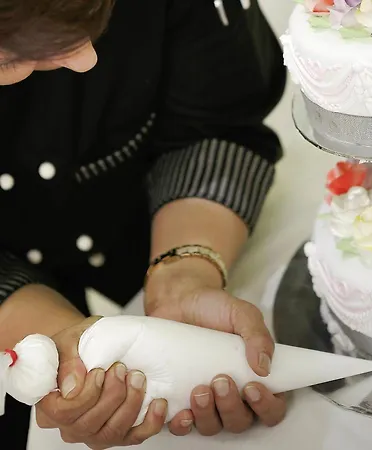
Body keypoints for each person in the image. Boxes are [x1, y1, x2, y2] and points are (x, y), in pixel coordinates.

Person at [0, 0, 287, 448]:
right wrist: (55, 349)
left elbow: (219, 126)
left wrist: (184, 275)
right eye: (10, 57)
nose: (85, 59)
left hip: (145, 210)